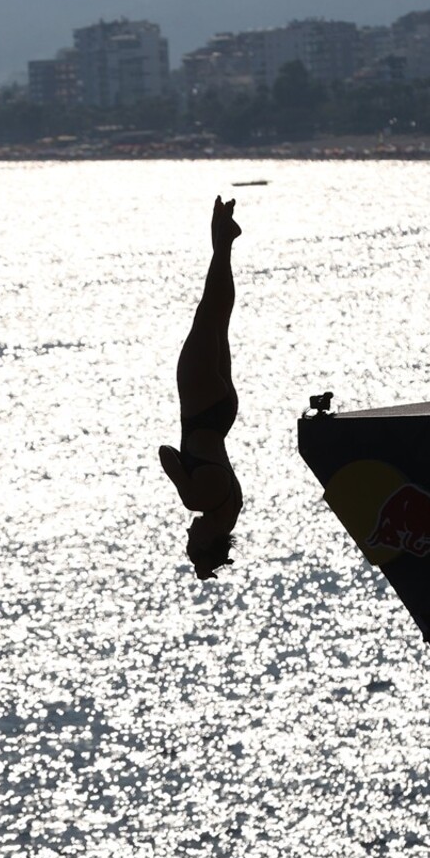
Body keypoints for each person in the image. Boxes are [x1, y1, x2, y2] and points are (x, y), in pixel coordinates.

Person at [159, 196, 243, 580]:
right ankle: (223, 242)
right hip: (199, 405)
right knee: (207, 314)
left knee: (216, 317)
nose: (186, 537)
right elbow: (166, 454)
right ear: (205, 542)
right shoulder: (198, 501)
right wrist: (183, 486)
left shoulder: (230, 511)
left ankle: (223, 237)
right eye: (191, 547)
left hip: (223, 413)